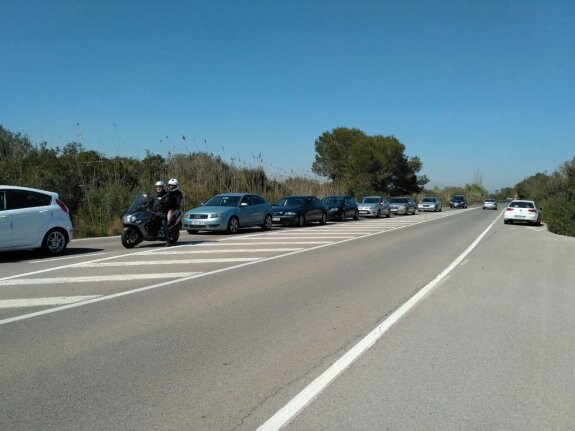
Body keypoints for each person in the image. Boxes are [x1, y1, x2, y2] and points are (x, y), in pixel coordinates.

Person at [152, 180, 173, 246]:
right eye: (157, 187)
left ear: (163, 187)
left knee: (164, 223)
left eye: (160, 187)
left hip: (163, 213)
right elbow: (151, 201)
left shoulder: (166, 195)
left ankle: (168, 240)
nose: (158, 188)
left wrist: (161, 202)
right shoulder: (155, 196)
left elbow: (166, 203)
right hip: (154, 213)